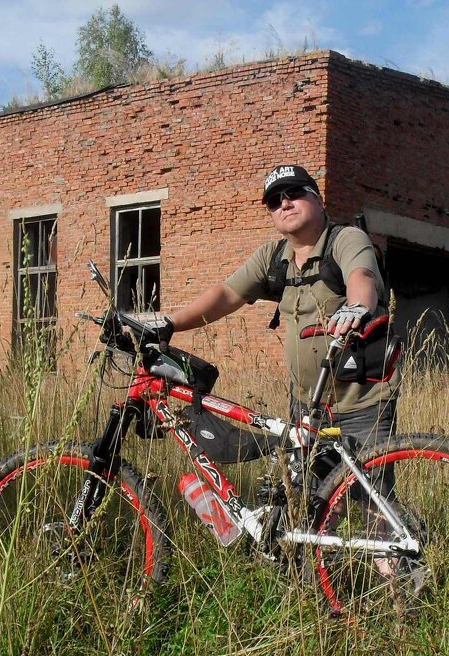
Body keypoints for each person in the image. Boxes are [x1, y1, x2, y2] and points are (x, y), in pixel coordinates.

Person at [161, 164, 399, 459]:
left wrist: (357, 306)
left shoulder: (346, 239)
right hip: (306, 407)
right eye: (274, 201)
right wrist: (168, 323)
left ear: (319, 200)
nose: (284, 203)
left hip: (362, 406)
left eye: (295, 193)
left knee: (367, 500)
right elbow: (225, 294)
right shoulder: (272, 258)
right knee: (312, 500)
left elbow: (360, 276)